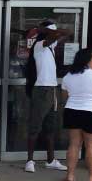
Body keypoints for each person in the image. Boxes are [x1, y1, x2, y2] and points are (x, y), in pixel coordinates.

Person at [24, 21, 70, 173]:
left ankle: (50, 159)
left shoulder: (51, 46)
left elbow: (66, 32)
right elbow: (55, 35)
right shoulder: (39, 45)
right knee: (35, 125)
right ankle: (30, 160)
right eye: (53, 32)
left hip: (52, 89)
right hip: (41, 89)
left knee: (50, 127)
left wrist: (46, 29)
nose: (56, 35)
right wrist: (44, 31)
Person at [61, 48, 92, 181]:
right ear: (87, 61)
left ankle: (70, 175)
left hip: (72, 111)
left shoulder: (68, 76)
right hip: (91, 112)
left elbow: (65, 96)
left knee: (74, 144)